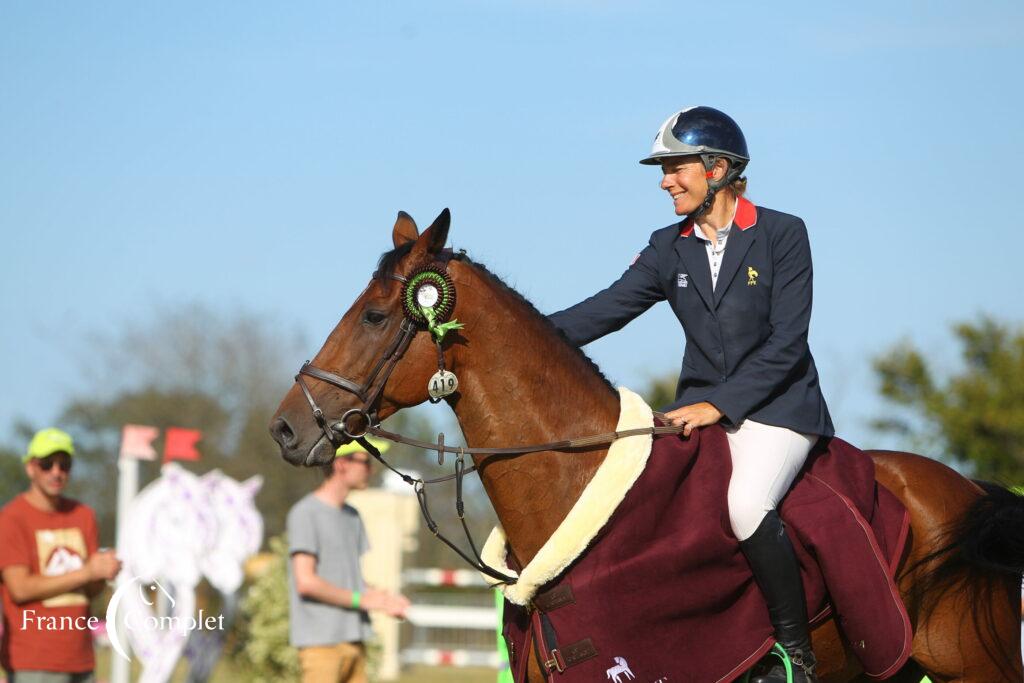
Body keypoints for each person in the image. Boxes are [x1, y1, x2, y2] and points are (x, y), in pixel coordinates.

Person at [549, 106, 833, 683]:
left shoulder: (783, 233)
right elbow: (604, 310)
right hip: (697, 412)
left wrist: (718, 405)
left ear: (718, 169)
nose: (664, 180)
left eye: (675, 167)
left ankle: (795, 654)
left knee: (745, 504)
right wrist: (518, 335)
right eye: (664, 168)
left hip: (779, 409)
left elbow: (787, 344)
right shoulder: (666, 246)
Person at [0, 428, 121, 683]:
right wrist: (87, 571)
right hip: (33, 663)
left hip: (81, 659)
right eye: (47, 464)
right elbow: (19, 588)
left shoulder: (83, 515)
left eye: (64, 465)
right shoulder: (11, 518)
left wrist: (102, 572)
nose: (56, 472)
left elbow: (88, 591)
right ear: (30, 468)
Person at [286, 438, 411, 683]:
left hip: (355, 642)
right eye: (366, 462)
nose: (371, 470)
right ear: (342, 464)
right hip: (320, 645)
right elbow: (306, 582)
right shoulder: (305, 513)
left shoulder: (352, 516)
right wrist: (361, 599)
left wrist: (384, 600)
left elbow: (349, 578)